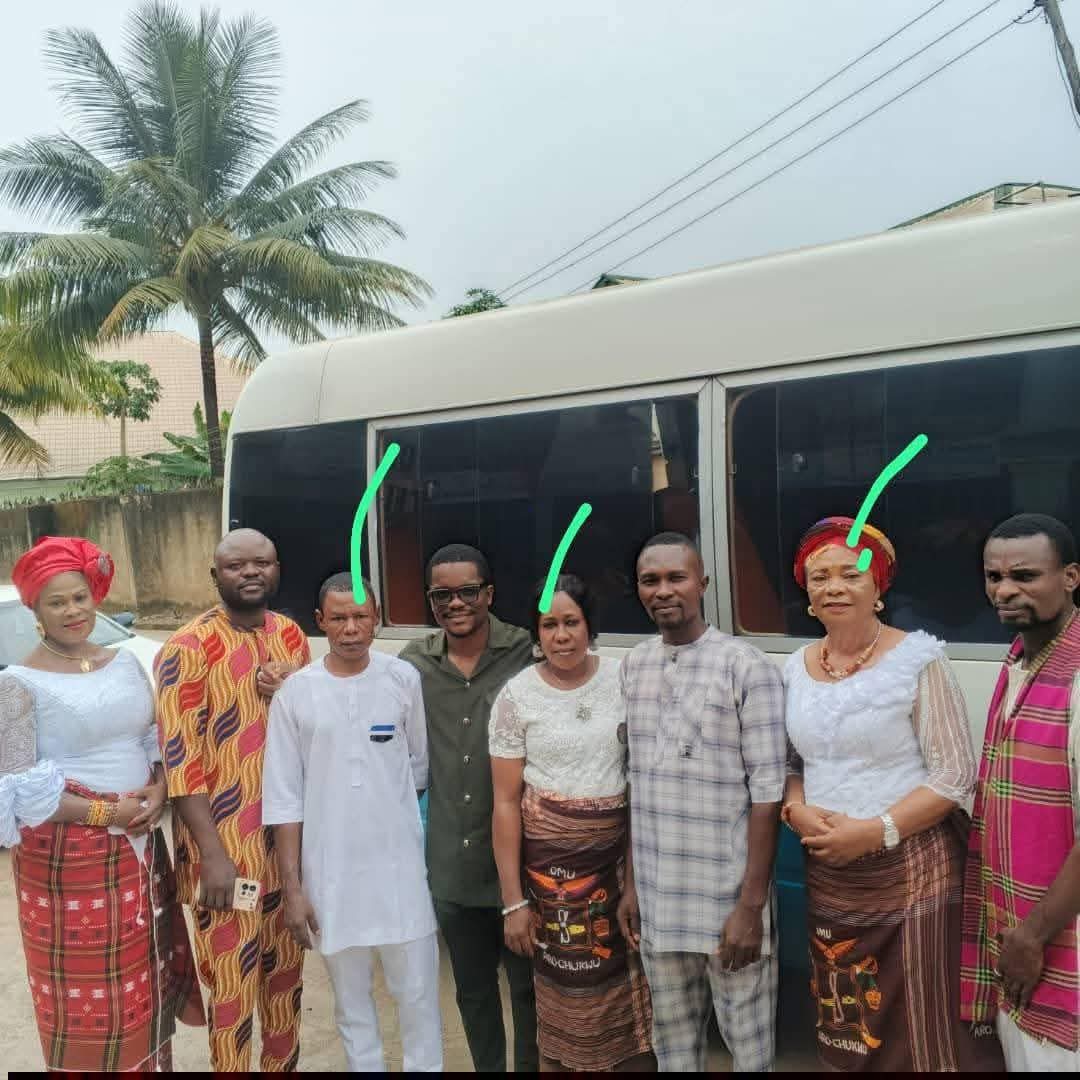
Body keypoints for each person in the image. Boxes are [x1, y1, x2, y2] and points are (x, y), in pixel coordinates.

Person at [783, 516, 1004, 1072]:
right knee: (848, 1016)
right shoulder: (794, 669)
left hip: (913, 870)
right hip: (831, 875)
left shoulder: (917, 659)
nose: (834, 587)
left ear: (878, 586)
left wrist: (875, 832)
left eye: (851, 574)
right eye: (820, 577)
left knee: (920, 1021)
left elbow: (953, 775)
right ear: (807, 593)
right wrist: (797, 810)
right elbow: (790, 764)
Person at [0, 535, 204, 1071]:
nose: (73, 611)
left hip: (141, 849)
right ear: (36, 612)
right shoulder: (17, 684)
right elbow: (17, 788)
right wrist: (107, 814)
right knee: (87, 997)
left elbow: (149, 740)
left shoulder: (126, 663)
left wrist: (159, 789)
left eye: (80, 597)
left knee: (148, 980)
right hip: (68, 865)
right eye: (57, 602)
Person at [616, 531, 786, 1073]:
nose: (663, 590)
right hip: (659, 902)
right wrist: (631, 887)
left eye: (676, 577)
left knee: (749, 1051)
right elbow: (636, 785)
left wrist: (750, 909)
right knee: (674, 1048)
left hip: (727, 903)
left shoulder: (747, 667)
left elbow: (768, 797)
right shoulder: (634, 665)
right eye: (650, 580)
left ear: (703, 584)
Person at [264, 572, 442, 1072]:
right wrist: (294, 888)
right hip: (330, 876)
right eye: (338, 617)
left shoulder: (402, 680)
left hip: (400, 873)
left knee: (418, 995)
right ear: (320, 621)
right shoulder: (295, 694)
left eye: (360, 616)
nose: (350, 628)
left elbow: (418, 767)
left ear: (377, 619)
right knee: (351, 1003)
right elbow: (284, 797)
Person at [156, 528, 311, 1072]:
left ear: (277, 569)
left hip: (285, 849)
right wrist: (213, 857)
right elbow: (180, 761)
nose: (250, 572)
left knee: (286, 983)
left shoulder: (291, 637)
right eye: (236, 565)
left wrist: (293, 685)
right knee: (232, 989)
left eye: (261, 563)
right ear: (215, 576)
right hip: (226, 853)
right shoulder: (187, 648)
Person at [490, 574, 655, 1073]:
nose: (561, 636)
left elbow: (638, 788)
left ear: (589, 626)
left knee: (632, 1008)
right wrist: (514, 903)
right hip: (550, 882)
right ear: (536, 634)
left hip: (618, 873)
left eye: (571, 622)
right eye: (549, 625)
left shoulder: (623, 681)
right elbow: (505, 802)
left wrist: (635, 885)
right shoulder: (517, 696)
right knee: (562, 997)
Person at [400, 543, 539, 1072]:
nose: (455, 603)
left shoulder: (525, 650)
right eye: (442, 595)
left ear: (489, 594)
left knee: (528, 994)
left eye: (467, 591)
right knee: (474, 993)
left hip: (519, 864)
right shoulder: (413, 664)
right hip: (452, 866)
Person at [962, 513, 1080, 1069]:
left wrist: (1032, 937)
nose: (1005, 591)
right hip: (1016, 931)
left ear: (1070, 577)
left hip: (1055, 939)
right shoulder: (1018, 660)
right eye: (994, 577)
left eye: (1025, 576)